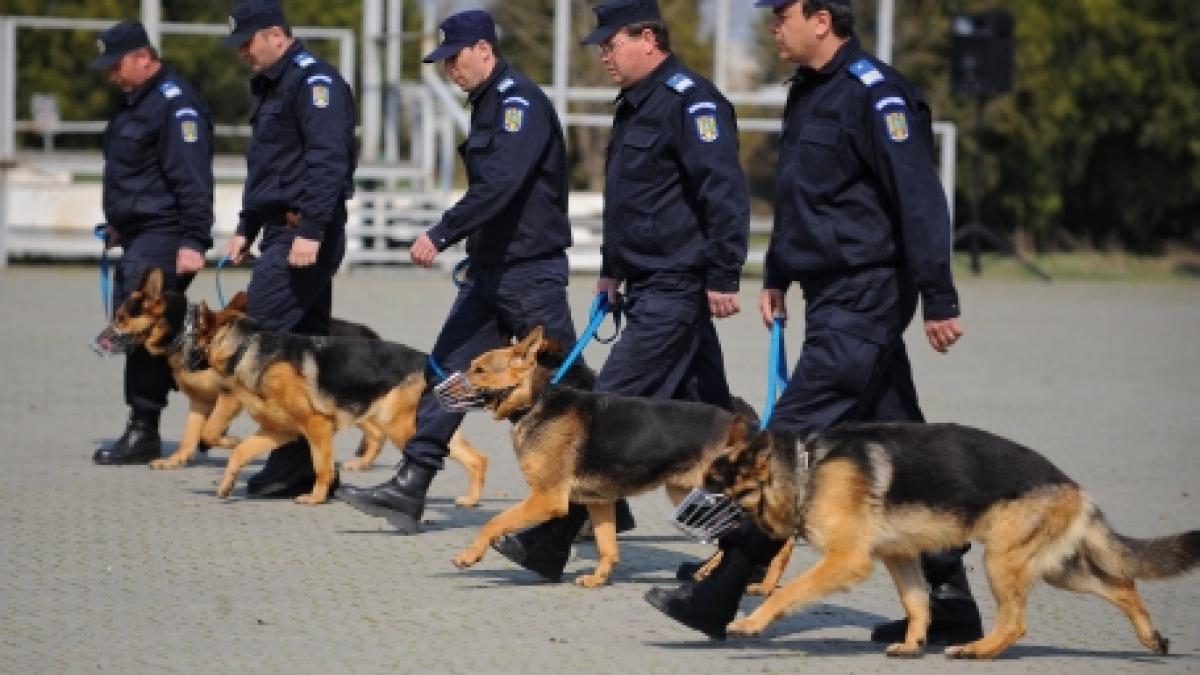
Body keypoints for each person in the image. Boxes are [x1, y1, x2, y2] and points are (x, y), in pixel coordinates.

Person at [644, 0, 985, 646]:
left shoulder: (878, 95)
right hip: (830, 298)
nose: (772, 25)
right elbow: (802, 197)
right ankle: (948, 595)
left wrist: (939, 295)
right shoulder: (807, 92)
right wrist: (776, 272)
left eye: (783, 14)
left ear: (822, 19)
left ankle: (725, 585)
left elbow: (920, 198)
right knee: (908, 447)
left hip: (868, 294)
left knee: (787, 442)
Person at [487, 0, 751, 582]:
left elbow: (723, 192)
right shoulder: (636, 104)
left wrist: (724, 275)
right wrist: (611, 269)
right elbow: (631, 203)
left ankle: (549, 543)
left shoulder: (692, 101)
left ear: (649, 38)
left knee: (600, 415)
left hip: (678, 285)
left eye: (612, 43)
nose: (604, 54)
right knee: (710, 425)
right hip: (646, 281)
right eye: (601, 46)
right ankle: (741, 545)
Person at [336, 10, 582, 533]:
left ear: (484, 50)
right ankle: (410, 485)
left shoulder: (519, 103)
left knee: (561, 386)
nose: (449, 69)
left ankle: (598, 500)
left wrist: (441, 233)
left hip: (530, 272)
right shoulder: (490, 103)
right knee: (448, 369)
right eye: (443, 60)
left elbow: (500, 187)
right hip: (492, 271)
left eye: (455, 57)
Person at [221, 0, 357, 496]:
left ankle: (288, 457)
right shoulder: (272, 84)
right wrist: (246, 226)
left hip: (305, 232)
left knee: (261, 340)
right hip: (283, 228)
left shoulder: (313, 82)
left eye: (247, 41)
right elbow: (267, 167)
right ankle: (310, 463)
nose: (241, 53)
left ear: (275, 34)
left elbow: (327, 161)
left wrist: (312, 230)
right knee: (305, 351)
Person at [92, 21, 214, 465]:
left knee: (142, 329)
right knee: (159, 334)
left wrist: (194, 239)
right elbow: (138, 175)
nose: (111, 75)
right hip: (142, 233)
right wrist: (120, 223)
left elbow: (192, 179)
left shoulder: (175, 106)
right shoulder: (134, 104)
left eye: (117, 65)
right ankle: (202, 418)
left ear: (144, 57)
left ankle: (144, 427)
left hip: (166, 236)